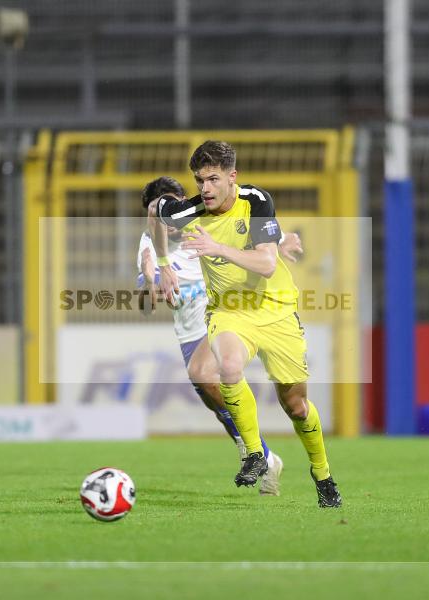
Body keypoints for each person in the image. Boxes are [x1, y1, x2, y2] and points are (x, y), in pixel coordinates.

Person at [152, 141, 342, 508]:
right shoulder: (190, 209)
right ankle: (254, 453)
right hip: (229, 311)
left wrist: (218, 248)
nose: (204, 188)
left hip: (276, 310)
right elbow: (155, 209)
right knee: (228, 366)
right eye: (199, 180)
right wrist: (162, 263)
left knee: (296, 406)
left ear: (231, 177)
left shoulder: (255, 201)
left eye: (212, 179)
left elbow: (267, 264)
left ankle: (322, 474)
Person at [136, 176, 302, 496]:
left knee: (208, 375)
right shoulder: (148, 246)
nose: (165, 220)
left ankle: (260, 450)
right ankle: (266, 457)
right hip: (189, 333)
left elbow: (246, 241)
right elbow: (144, 297)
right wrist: (151, 289)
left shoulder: (204, 222)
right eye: (156, 214)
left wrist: (278, 245)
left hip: (226, 314)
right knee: (218, 404)